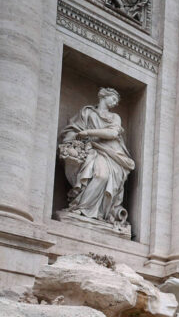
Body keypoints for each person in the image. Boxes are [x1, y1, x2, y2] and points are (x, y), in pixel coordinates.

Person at [58, 87, 135, 225]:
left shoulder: (115, 117)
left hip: (112, 153)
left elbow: (112, 134)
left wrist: (88, 133)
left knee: (102, 176)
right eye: (114, 99)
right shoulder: (87, 112)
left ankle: (92, 211)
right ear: (104, 96)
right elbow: (73, 130)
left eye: (117, 101)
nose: (115, 103)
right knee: (98, 175)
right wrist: (74, 141)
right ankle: (82, 209)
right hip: (91, 149)